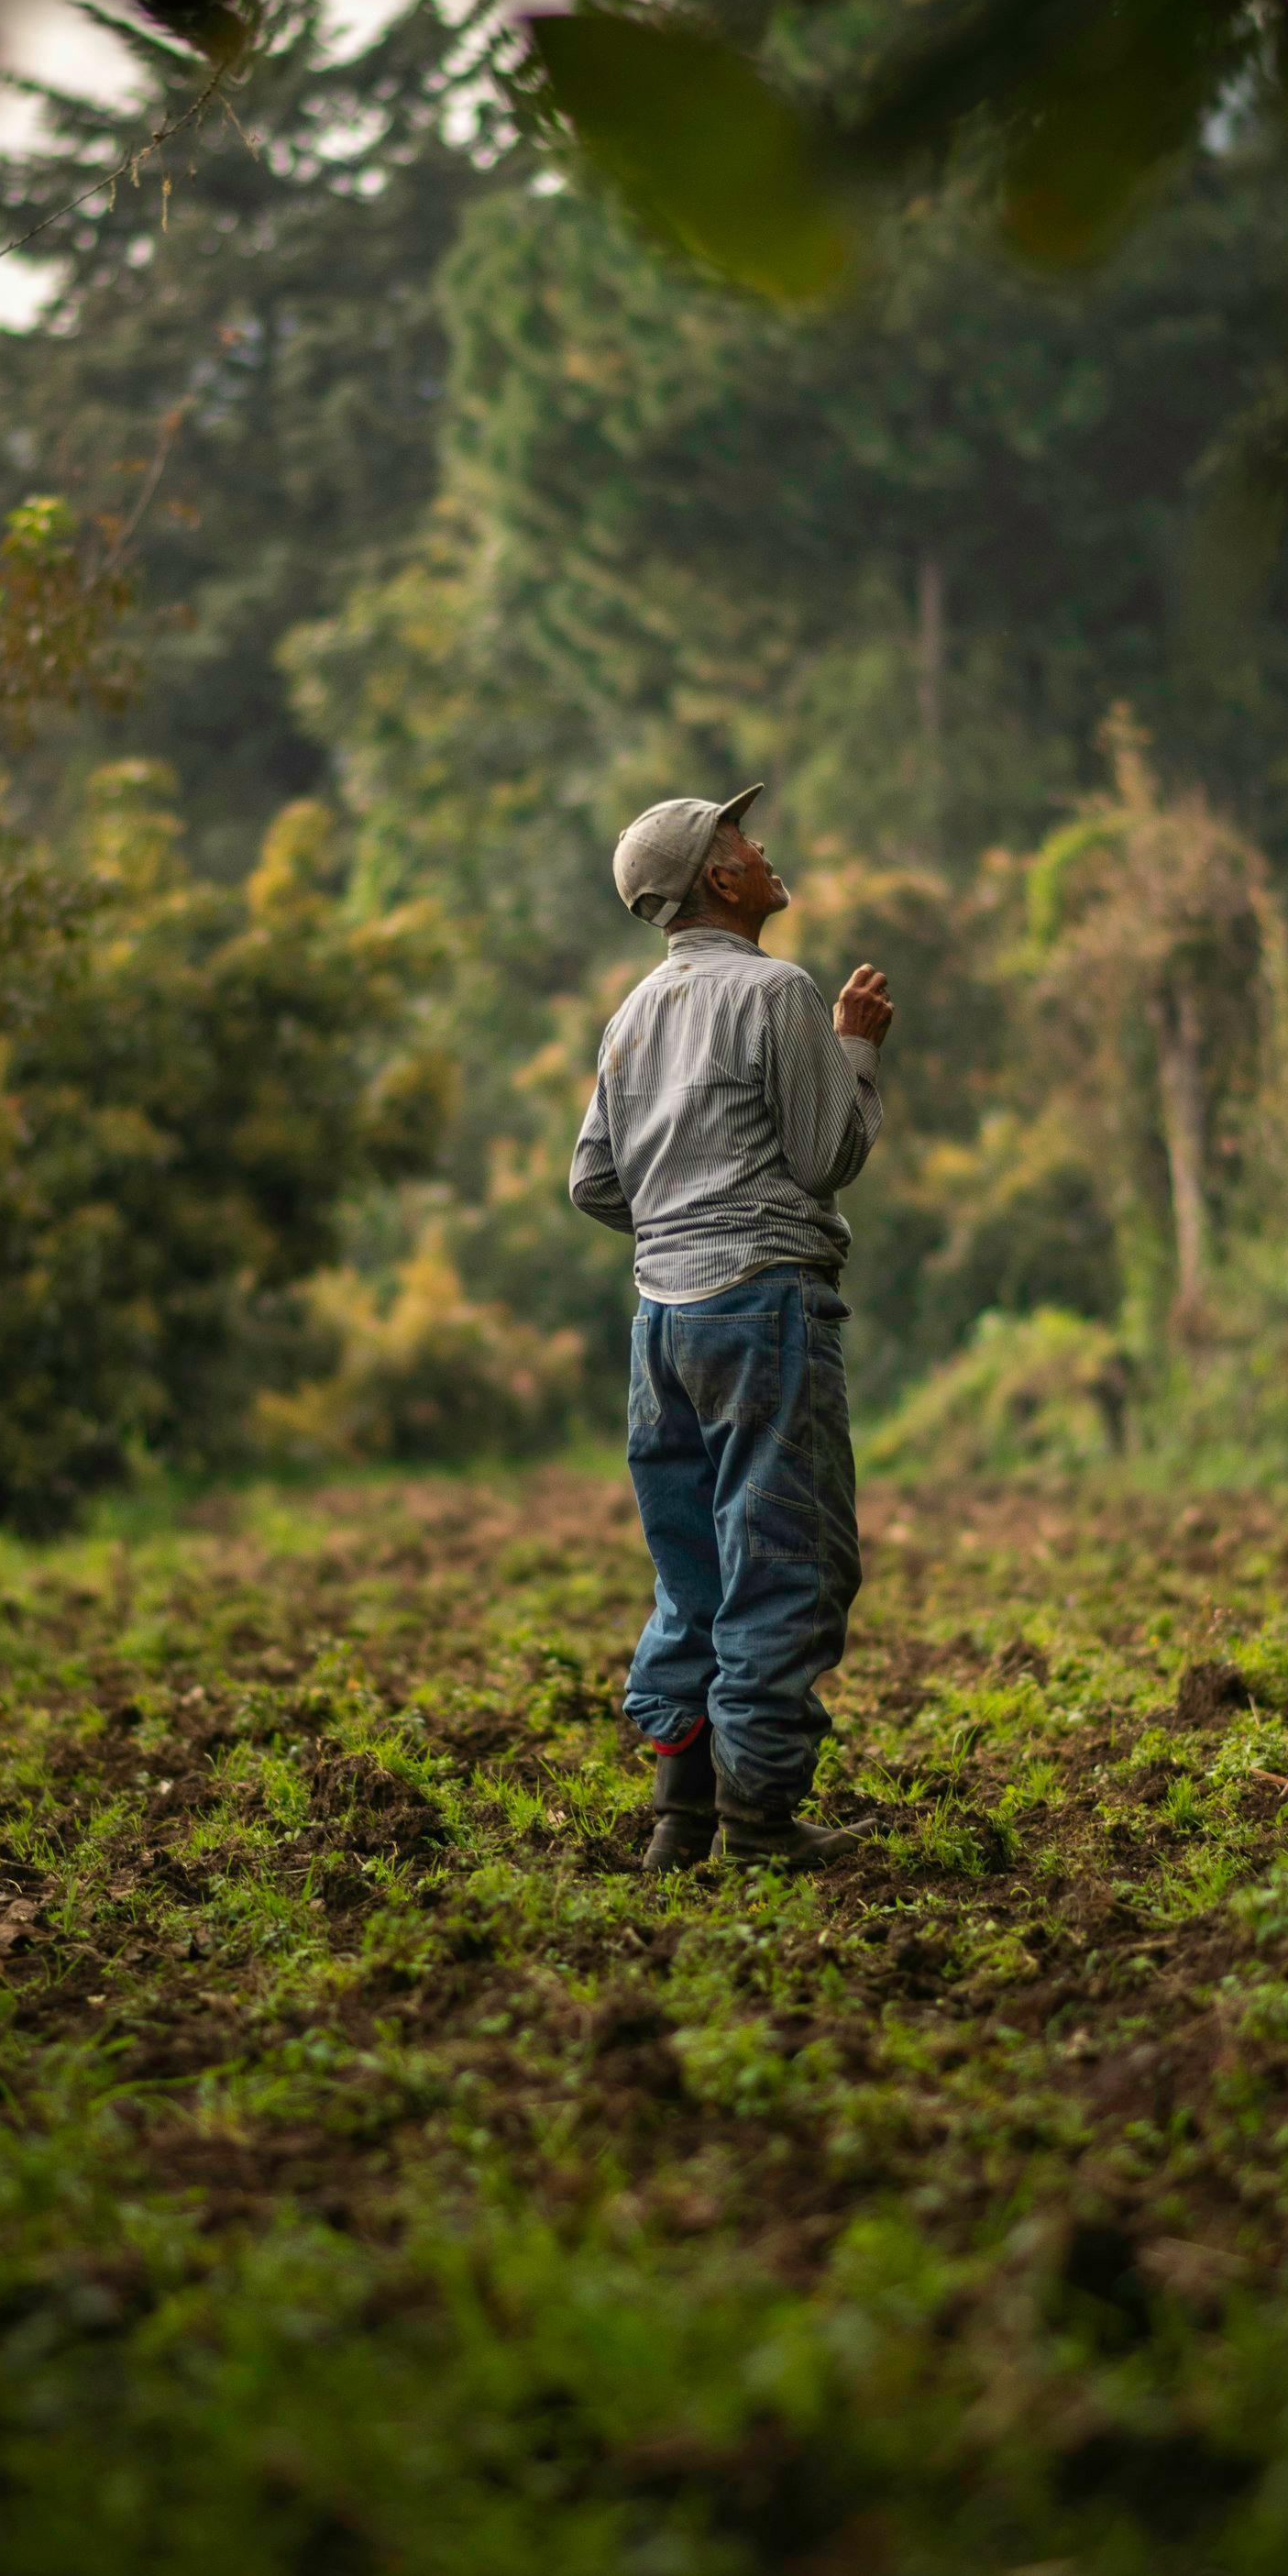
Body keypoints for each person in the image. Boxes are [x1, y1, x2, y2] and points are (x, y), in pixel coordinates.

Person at [569, 782, 895, 1872]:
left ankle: (680, 1817)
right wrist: (854, 1050)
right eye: (742, 838)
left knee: (693, 1563)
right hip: (764, 1305)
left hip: (661, 1323)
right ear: (720, 876)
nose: (761, 850)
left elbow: (593, 1181)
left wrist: (676, 1221)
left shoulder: (631, 1016)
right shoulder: (780, 993)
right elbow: (827, 1157)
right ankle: (759, 1825)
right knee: (787, 1558)